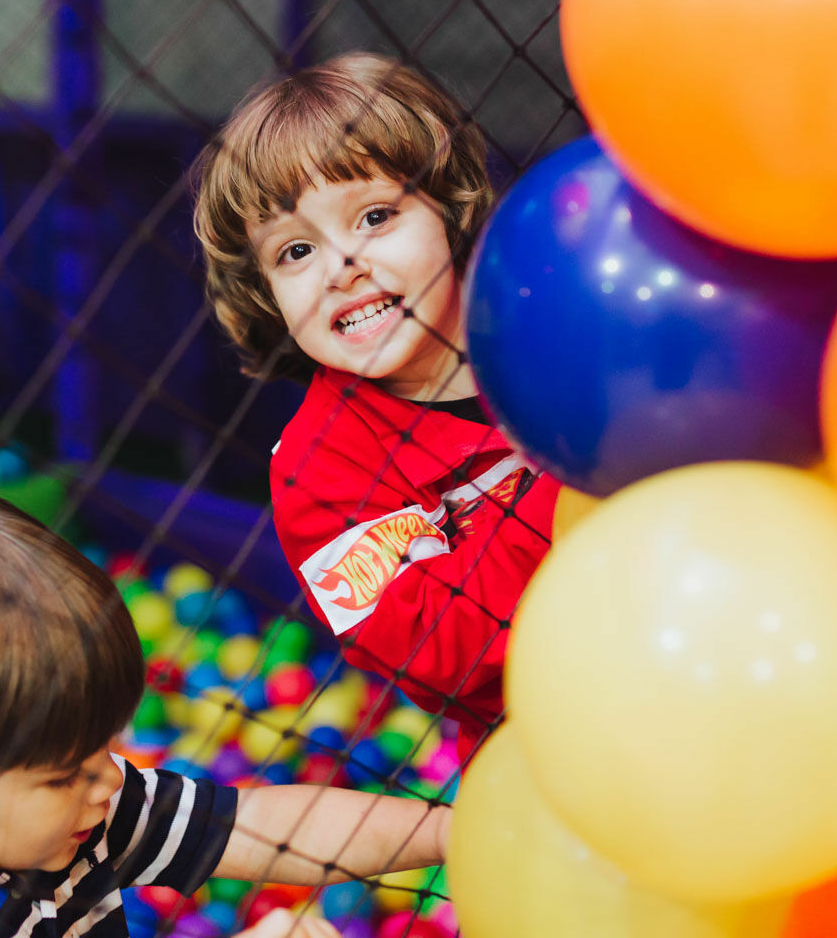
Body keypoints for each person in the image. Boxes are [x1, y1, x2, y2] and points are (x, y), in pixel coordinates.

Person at [0, 490, 449, 938]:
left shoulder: (77, 813)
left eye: (104, 747)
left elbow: (268, 828)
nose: (109, 780)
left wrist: (457, 831)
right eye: (61, 775)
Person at [193, 54, 579, 755]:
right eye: (296, 251)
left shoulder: (550, 313)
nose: (344, 267)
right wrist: (577, 476)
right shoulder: (319, 469)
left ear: (448, 210)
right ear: (266, 294)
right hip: (554, 746)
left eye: (374, 216)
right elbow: (441, 655)